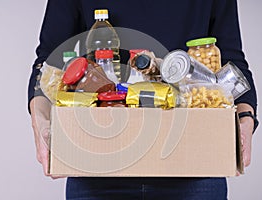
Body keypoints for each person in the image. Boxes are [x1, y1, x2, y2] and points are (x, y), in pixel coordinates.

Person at [28, 0, 259, 199]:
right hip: (99, 169)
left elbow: (231, 60)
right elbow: (51, 60)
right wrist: (40, 122)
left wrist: (246, 118)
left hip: (194, 169)